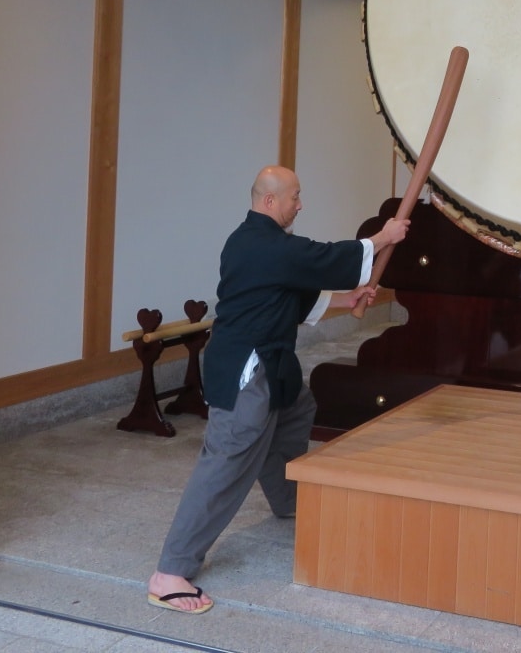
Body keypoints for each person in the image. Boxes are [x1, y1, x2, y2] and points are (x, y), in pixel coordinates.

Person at [147, 165, 409, 614]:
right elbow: (317, 259)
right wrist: (383, 238)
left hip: (273, 360)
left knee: (294, 411)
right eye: (295, 197)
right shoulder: (260, 242)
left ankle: (287, 500)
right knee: (227, 461)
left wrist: (350, 299)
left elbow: (291, 290)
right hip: (245, 367)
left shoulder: (263, 247)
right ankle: (170, 571)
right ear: (270, 201)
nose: (300, 204)